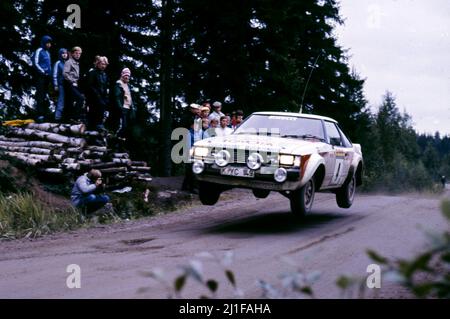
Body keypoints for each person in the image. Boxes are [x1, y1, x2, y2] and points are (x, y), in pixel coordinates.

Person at [32, 35, 53, 122]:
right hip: (40, 76)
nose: (49, 45)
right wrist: (42, 72)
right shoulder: (39, 50)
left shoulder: (48, 53)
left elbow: (49, 66)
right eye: (48, 43)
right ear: (44, 43)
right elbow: (35, 63)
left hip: (47, 77)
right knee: (40, 95)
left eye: (50, 43)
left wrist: (50, 74)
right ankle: (39, 115)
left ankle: (44, 114)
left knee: (45, 95)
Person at [86, 56, 109, 131]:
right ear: (98, 63)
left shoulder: (104, 75)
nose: (103, 66)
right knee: (93, 113)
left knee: (101, 110)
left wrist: (105, 97)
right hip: (93, 97)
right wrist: (97, 95)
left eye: (105, 64)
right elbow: (90, 85)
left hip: (101, 97)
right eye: (102, 64)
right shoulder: (93, 72)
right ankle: (91, 128)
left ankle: (98, 127)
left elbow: (105, 87)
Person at [63, 46, 85, 123]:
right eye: (76, 53)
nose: (78, 55)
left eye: (79, 54)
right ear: (72, 54)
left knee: (72, 101)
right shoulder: (69, 62)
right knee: (80, 98)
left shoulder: (77, 63)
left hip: (75, 84)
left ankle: (70, 118)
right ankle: (74, 117)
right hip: (69, 84)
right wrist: (72, 81)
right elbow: (65, 74)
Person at [114, 68, 135, 139]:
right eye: (125, 75)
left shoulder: (128, 85)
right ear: (122, 75)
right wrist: (120, 107)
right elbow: (117, 96)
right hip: (122, 108)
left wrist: (132, 108)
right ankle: (116, 141)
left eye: (128, 76)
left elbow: (130, 97)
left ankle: (122, 144)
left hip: (128, 108)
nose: (127, 77)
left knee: (126, 128)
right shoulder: (119, 84)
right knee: (122, 126)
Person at [52, 48, 68, 122]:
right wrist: (55, 85)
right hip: (60, 84)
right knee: (61, 101)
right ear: (60, 54)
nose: (64, 54)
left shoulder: (67, 63)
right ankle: (57, 117)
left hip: (67, 85)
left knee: (66, 101)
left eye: (66, 53)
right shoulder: (58, 63)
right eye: (63, 53)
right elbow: (55, 74)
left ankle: (64, 117)